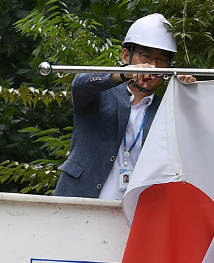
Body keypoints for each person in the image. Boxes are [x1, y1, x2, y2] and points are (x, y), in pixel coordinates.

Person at [54, 13, 195, 200]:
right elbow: (80, 84)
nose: (153, 66)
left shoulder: (167, 109)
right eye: (145, 56)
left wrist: (189, 96)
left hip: (136, 213)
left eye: (161, 59)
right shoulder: (100, 95)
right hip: (79, 203)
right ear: (126, 55)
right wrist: (123, 74)